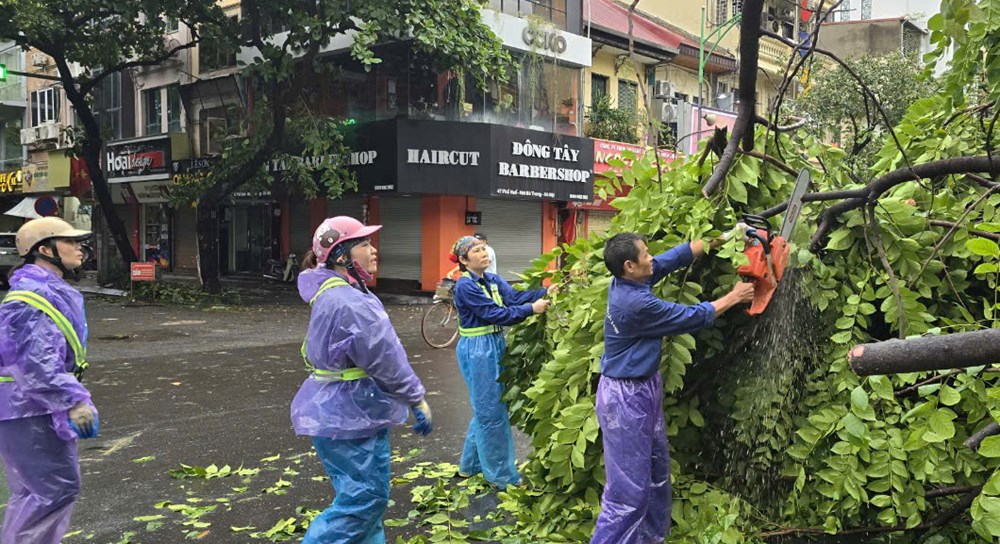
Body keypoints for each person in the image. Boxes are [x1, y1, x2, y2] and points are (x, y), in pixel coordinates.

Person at [591, 227, 756, 544]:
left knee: (655, 474)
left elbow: (672, 258)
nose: (651, 258)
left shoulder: (633, 278)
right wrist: (735, 296)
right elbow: (690, 316)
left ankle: (650, 539)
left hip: (644, 387)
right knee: (627, 493)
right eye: (645, 255)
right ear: (629, 265)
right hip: (624, 399)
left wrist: (726, 236)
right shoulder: (635, 304)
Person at [291, 216, 433, 543]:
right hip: (354, 412)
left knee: (360, 499)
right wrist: (416, 398)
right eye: (364, 243)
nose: (374, 250)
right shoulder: (352, 302)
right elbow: (386, 358)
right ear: (342, 255)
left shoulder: (331, 293)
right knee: (364, 501)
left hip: (340, 409)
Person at [0, 217, 99, 544]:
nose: (79, 248)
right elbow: (38, 364)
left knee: (35, 492)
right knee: (54, 489)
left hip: (28, 408)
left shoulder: (44, 291)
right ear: (45, 250)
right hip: (30, 409)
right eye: (70, 242)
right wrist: (74, 400)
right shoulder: (32, 298)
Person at [450, 235, 554, 487]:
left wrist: (545, 291)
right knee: (491, 410)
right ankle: (502, 477)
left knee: (488, 406)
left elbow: (514, 298)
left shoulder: (492, 280)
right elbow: (495, 313)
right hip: (477, 348)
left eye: (484, 248)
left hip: (494, 343)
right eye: (476, 250)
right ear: (464, 260)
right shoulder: (465, 286)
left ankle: (470, 466)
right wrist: (532, 309)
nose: (484, 253)